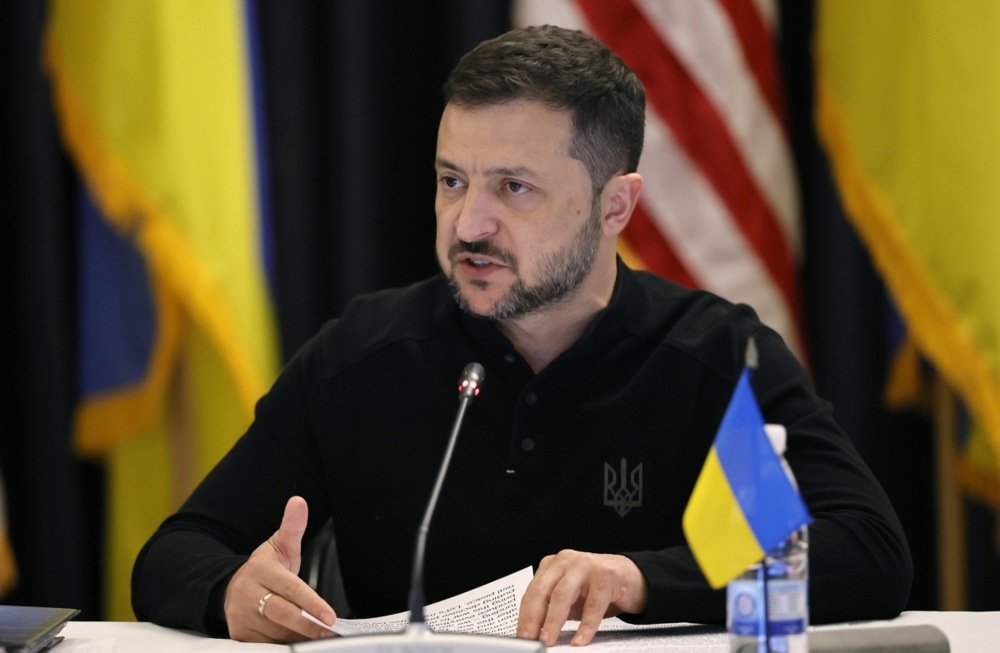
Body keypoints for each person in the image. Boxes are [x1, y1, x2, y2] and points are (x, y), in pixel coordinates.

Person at [131, 25, 912, 647]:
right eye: (452, 180)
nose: (469, 223)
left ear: (615, 206)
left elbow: (865, 552)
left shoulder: (705, 359)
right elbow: (176, 551)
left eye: (514, 187)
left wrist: (636, 580)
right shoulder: (368, 357)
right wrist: (230, 589)